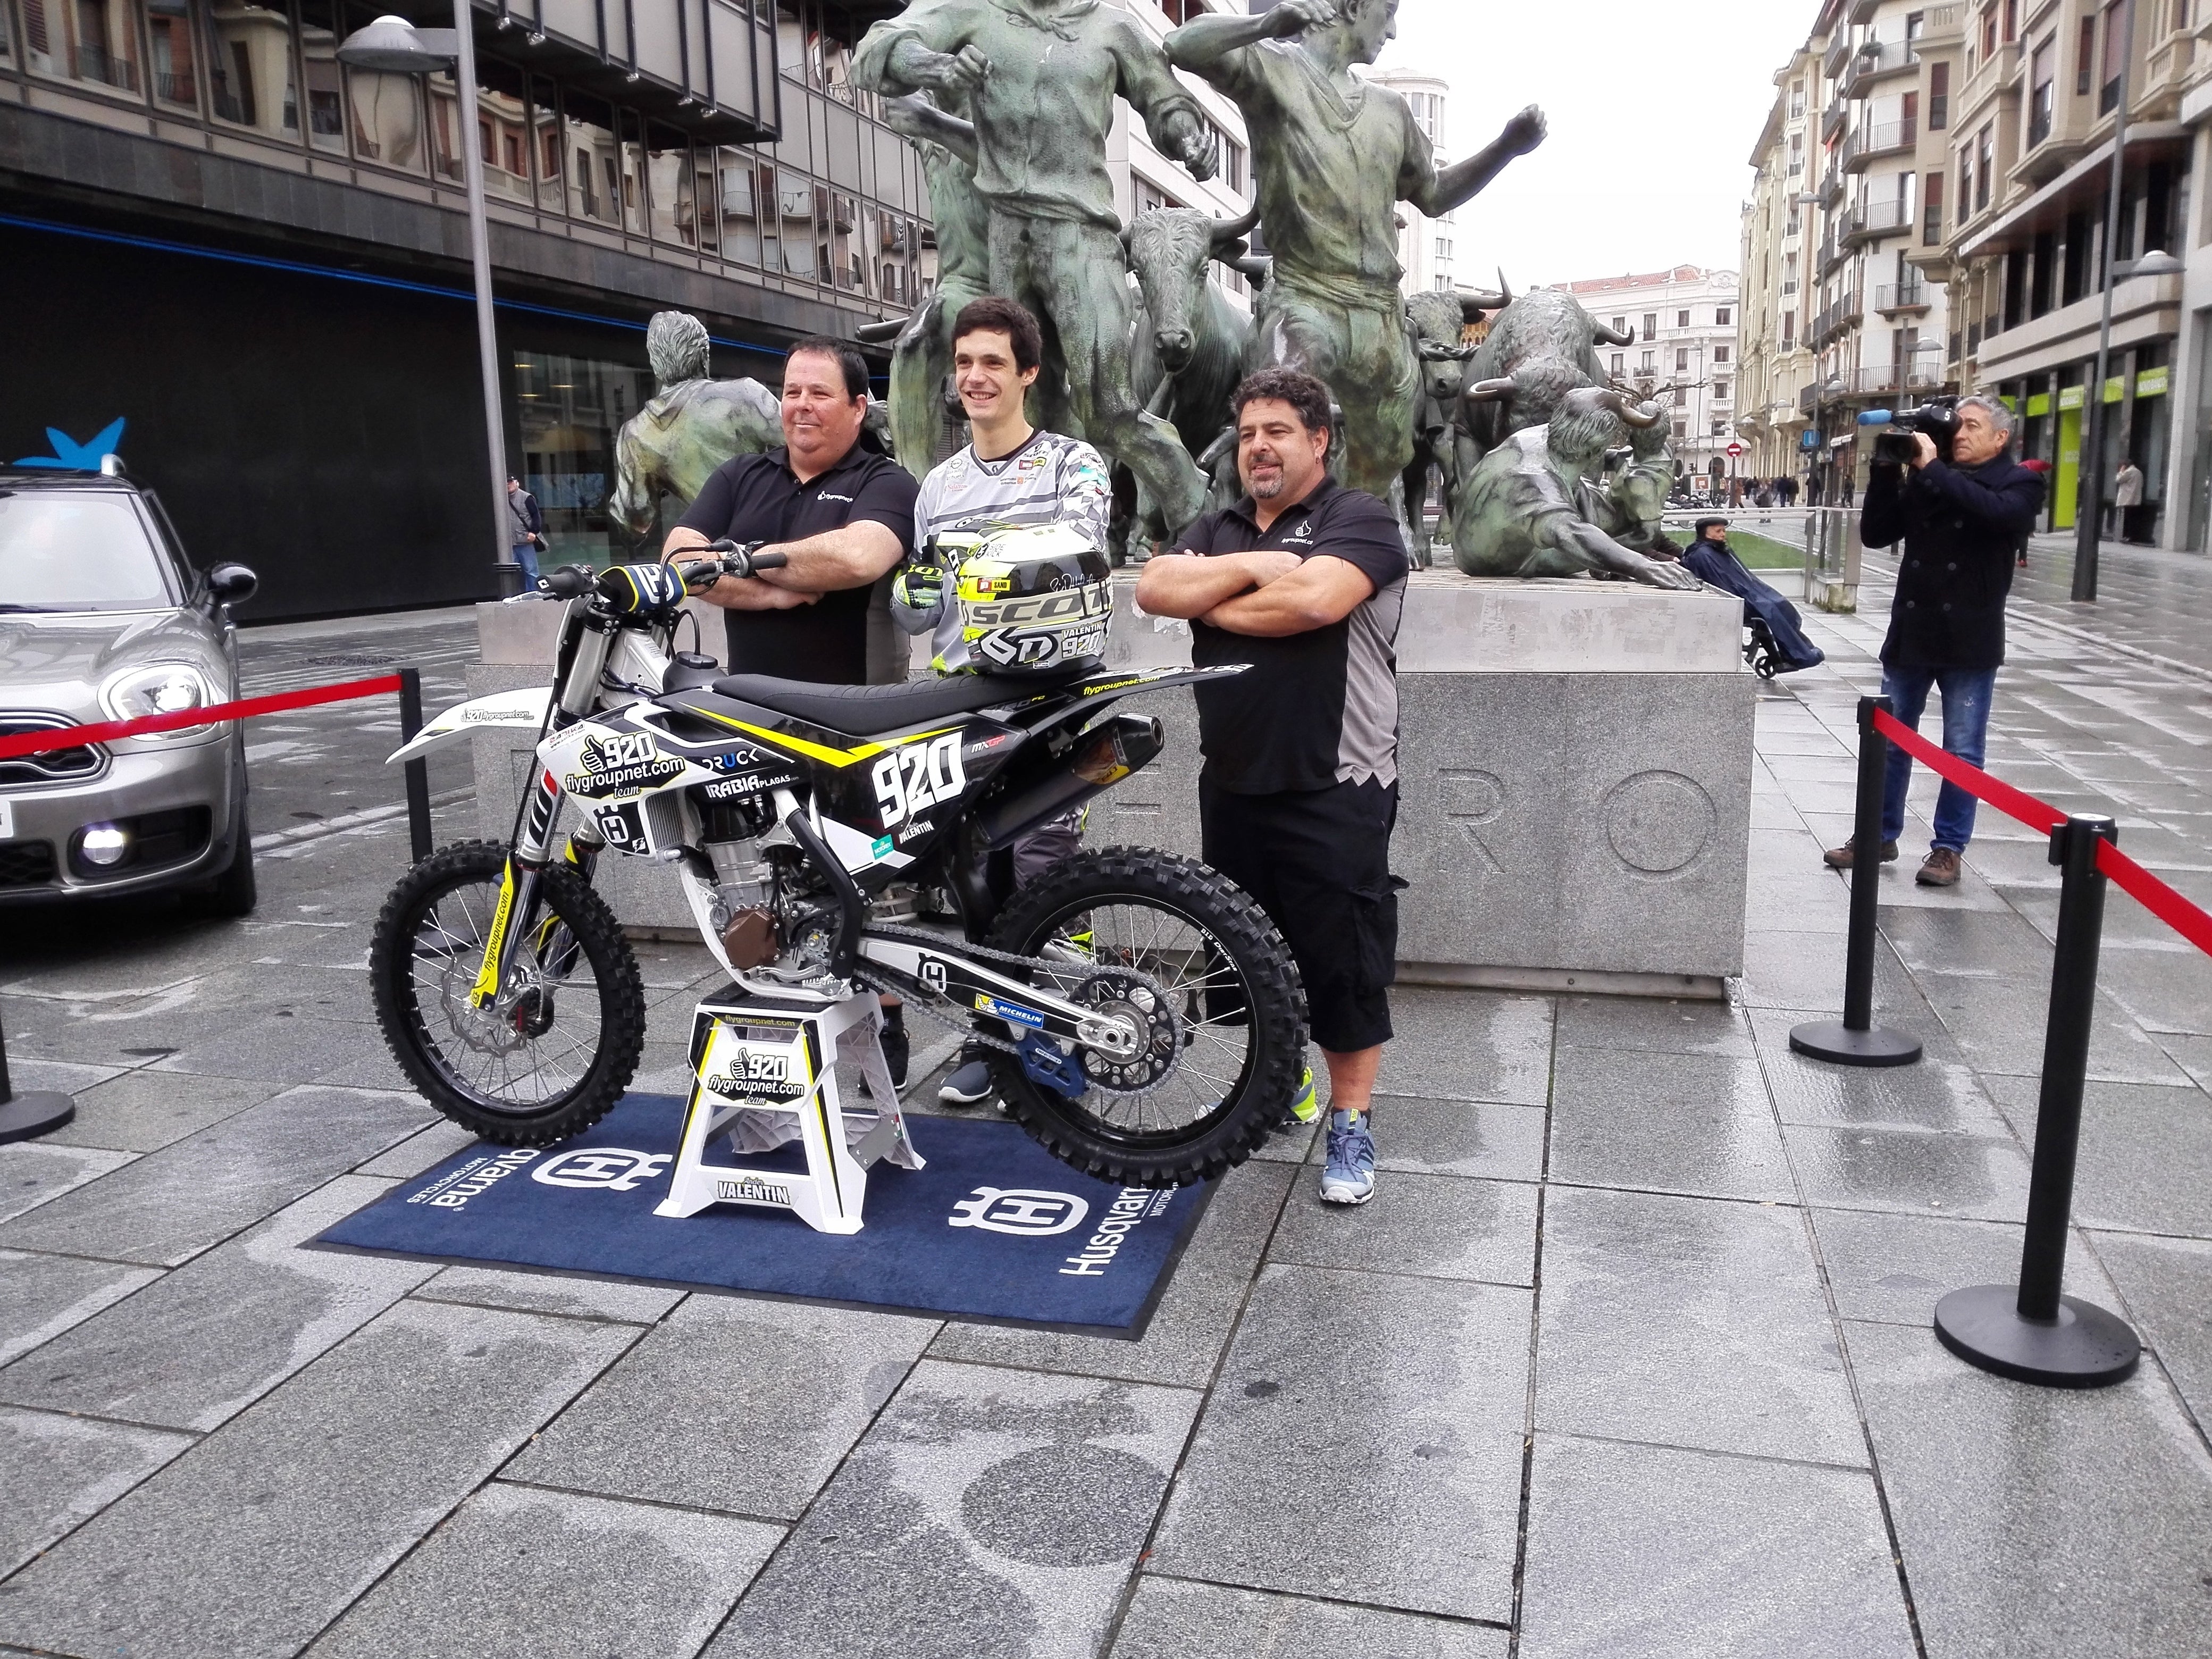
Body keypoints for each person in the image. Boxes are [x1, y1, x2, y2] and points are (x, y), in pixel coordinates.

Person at [1135, 368, 1407, 1208]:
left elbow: (1318, 603)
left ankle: (1351, 1121)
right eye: (1250, 432)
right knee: (1248, 957)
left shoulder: (1357, 517)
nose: (1259, 446)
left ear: (1318, 440)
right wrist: (1261, 567)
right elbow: (1154, 589)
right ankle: (1281, 1083)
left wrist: (1217, 599)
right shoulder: (1214, 524)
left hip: (1338, 781)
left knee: (1345, 965)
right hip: (1236, 780)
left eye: (1279, 431)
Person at [663, 336, 921, 1078]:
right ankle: (787, 1010)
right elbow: (681, 562)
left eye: (819, 392)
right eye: (792, 391)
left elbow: (859, 558)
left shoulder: (884, 479)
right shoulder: (742, 474)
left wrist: (742, 562)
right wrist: (783, 586)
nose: (801, 405)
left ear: (857, 404)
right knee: (772, 878)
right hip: (751, 715)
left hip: (855, 721)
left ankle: (888, 1022)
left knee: (874, 879)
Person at [891, 296, 1113, 1110]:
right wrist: (911, 591)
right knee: (974, 875)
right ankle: (993, 1037)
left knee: (1047, 871)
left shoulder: (1072, 466)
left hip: (1050, 697)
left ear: (1028, 373)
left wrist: (976, 562)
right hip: (958, 698)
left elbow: (1078, 558)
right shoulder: (937, 488)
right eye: (964, 363)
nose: (975, 377)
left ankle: (1069, 1028)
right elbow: (919, 610)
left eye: (993, 362)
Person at [1823, 396, 2044, 887]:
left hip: (1971, 636)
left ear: (2000, 438)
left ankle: (1948, 849)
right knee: (1890, 743)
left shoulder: (2020, 483)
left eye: (1973, 427)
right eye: (1958, 426)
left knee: (1963, 749)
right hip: (1914, 632)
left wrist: (1932, 468)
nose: (1960, 434)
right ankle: (1876, 835)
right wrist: (1883, 473)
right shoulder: (1930, 477)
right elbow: (1878, 535)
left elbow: (1998, 514)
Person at [1681, 517, 1824, 673]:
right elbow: (1723, 585)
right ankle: (1798, 655)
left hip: (1748, 593)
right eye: (1718, 531)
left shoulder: (1716, 550)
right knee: (1770, 610)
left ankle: (1797, 652)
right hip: (1737, 599)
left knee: (1781, 604)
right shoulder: (1703, 555)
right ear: (1705, 533)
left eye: (1724, 530)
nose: (1723, 534)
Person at [506, 475, 546, 584]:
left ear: (516, 483)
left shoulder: (526, 498)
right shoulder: (501, 498)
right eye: (506, 482)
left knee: (531, 571)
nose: (508, 484)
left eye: (510, 482)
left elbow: (536, 516)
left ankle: (534, 595)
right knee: (509, 572)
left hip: (525, 541)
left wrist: (533, 532)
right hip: (508, 543)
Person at [2112, 457, 2144, 542]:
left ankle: (2128, 536)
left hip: (2127, 499)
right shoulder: (2139, 472)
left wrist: (2121, 471)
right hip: (2136, 499)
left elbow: (2119, 479)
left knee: (2128, 518)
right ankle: (2131, 536)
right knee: (2133, 518)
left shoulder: (2129, 472)